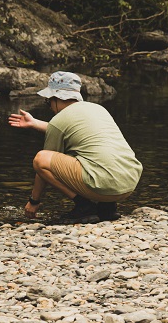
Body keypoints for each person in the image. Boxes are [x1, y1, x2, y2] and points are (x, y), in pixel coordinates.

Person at [8, 71, 142, 223]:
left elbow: (43, 166)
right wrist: (35, 123)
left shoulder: (59, 119)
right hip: (128, 183)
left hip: (104, 186)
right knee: (89, 153)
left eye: (48, 101)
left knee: (41, 159)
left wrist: (34, 201)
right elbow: (74, 131)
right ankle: (107, 208)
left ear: (56, 98)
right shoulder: (98, 109)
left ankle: (84, 207)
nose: (50, 107)